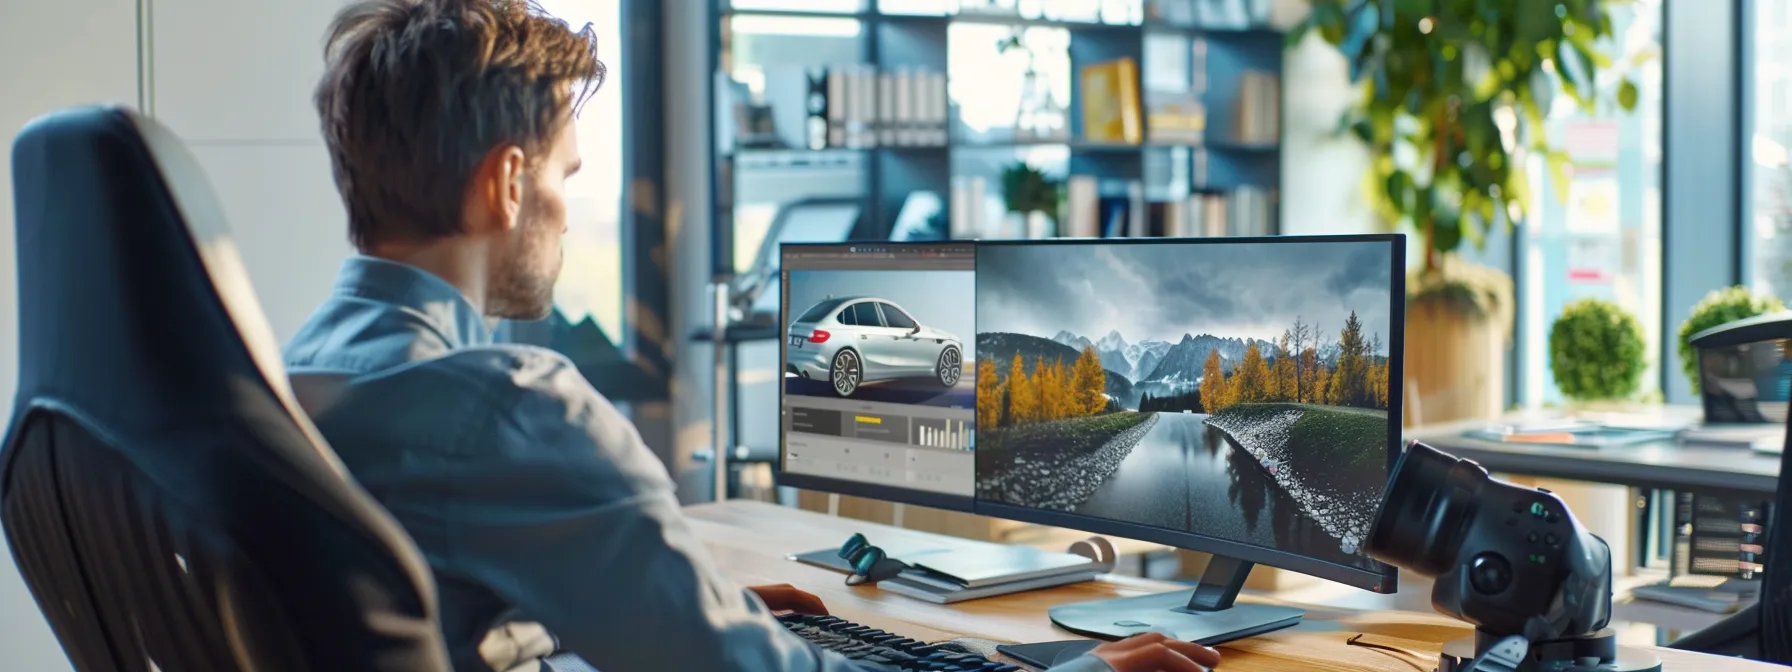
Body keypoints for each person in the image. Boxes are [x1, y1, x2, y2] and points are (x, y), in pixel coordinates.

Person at [285, 1, 1224, 671]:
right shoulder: (505, 408)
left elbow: (436, 612)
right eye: (568, 175)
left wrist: (671, 616)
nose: (570, 215)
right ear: (507, 183)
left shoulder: (291, 381)